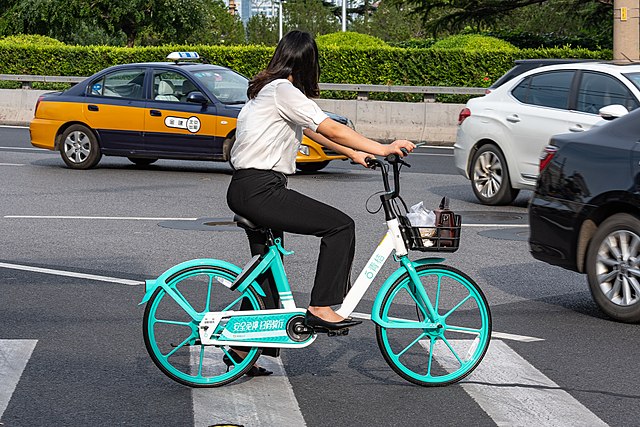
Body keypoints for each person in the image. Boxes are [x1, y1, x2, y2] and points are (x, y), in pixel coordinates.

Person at [225, 30, 415, 375]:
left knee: (268, 269)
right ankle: (322, 307)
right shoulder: (284, 90)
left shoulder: (269, 90)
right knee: (340, 226)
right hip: (261, 188)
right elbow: (331, 127)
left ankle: (239, 352)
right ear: (307, 64)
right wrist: (382, 147)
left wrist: (354, 154)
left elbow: (313, 132)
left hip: (246, 186)